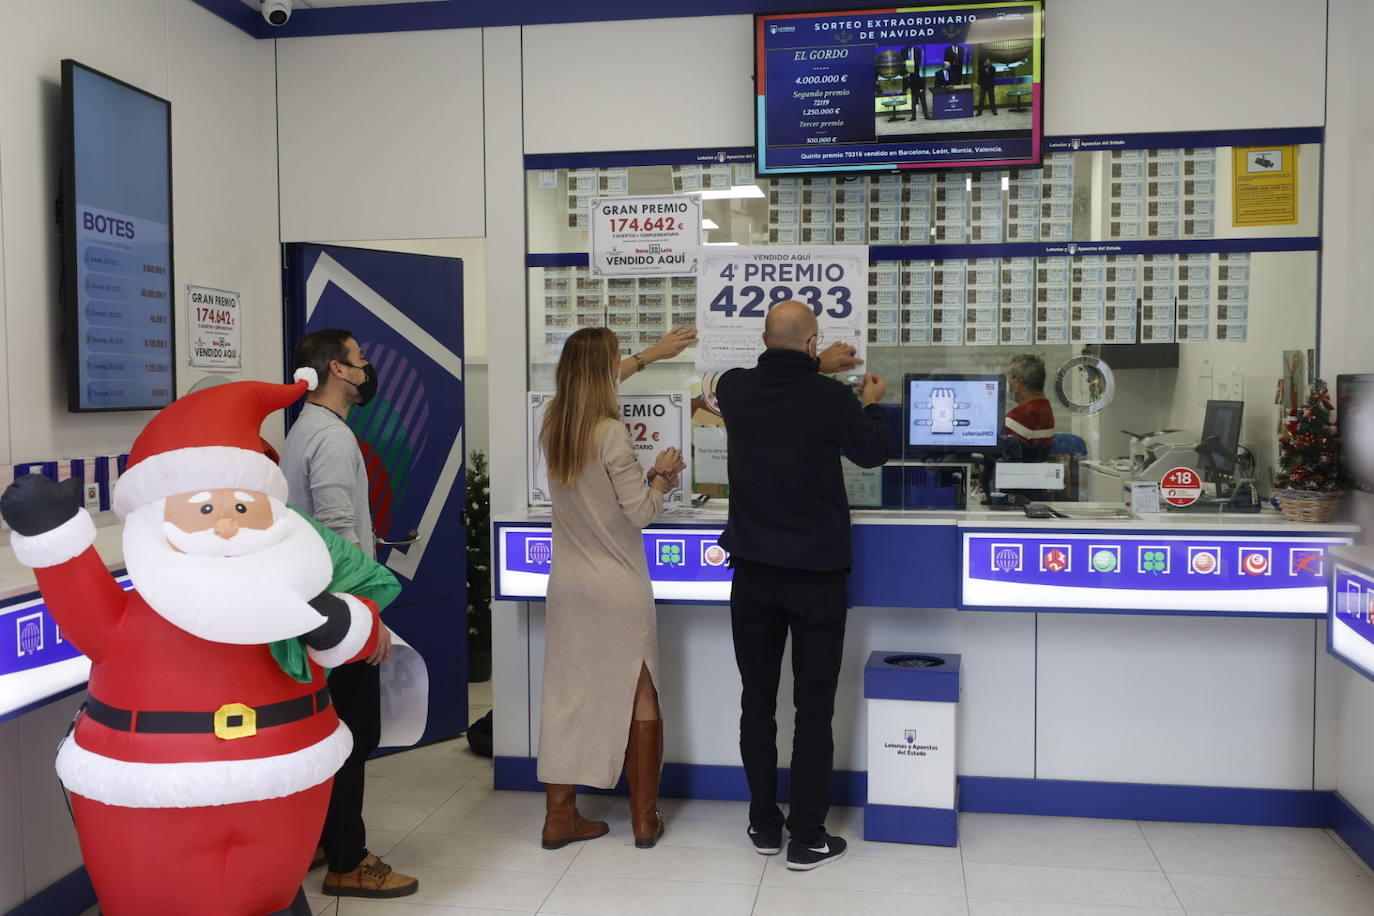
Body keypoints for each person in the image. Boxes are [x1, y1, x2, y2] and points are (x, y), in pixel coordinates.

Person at [715, 302, 891, 871]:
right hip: (816, 576)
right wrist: (870, 403)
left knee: (757, 702)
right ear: (814, 343)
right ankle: (807, 837)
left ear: (763, 339)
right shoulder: (832, 399)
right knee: (813, 709)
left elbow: (768, 381)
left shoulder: (738, 391)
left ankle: (764, 824)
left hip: (753, 575)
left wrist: (814, 368)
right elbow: (871, 452)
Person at [537, 326, 688, 850]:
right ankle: (644, 819)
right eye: (618, 361)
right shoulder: (611, 433)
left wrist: (650, 355)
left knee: (565, 696)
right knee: (641, 690)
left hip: (569, 587)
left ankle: (560, 817)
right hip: (617, 586)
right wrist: (663, 476)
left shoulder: (554, 422)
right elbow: (642, 514)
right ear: (604, 371)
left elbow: (593, 381)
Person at [283, 328, 417, 900]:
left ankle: (319, 839)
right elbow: (337, 532)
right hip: (339, 613)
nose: (366, 369)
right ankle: (348, 859)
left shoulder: (303, 431)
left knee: (325, 732)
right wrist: (369, 614)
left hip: (311, 608)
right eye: (360, 360)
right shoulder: (332, 438)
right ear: (337, 370)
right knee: (352, 736)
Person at [1005, 353, 1056, 452]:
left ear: (1017, 381)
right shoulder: (1045, 407)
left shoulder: (1022, 415)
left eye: (1009, 378)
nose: (1008, 383)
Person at [908, 46, 929, 120]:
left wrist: (921, 89)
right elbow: (911, 83)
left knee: (923, 102)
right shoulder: (910, 74)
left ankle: (926, 115)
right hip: (914, 90)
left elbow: (921, 81)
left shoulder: (918, 72)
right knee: (913, 103)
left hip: (920, 89)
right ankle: (913, 116)